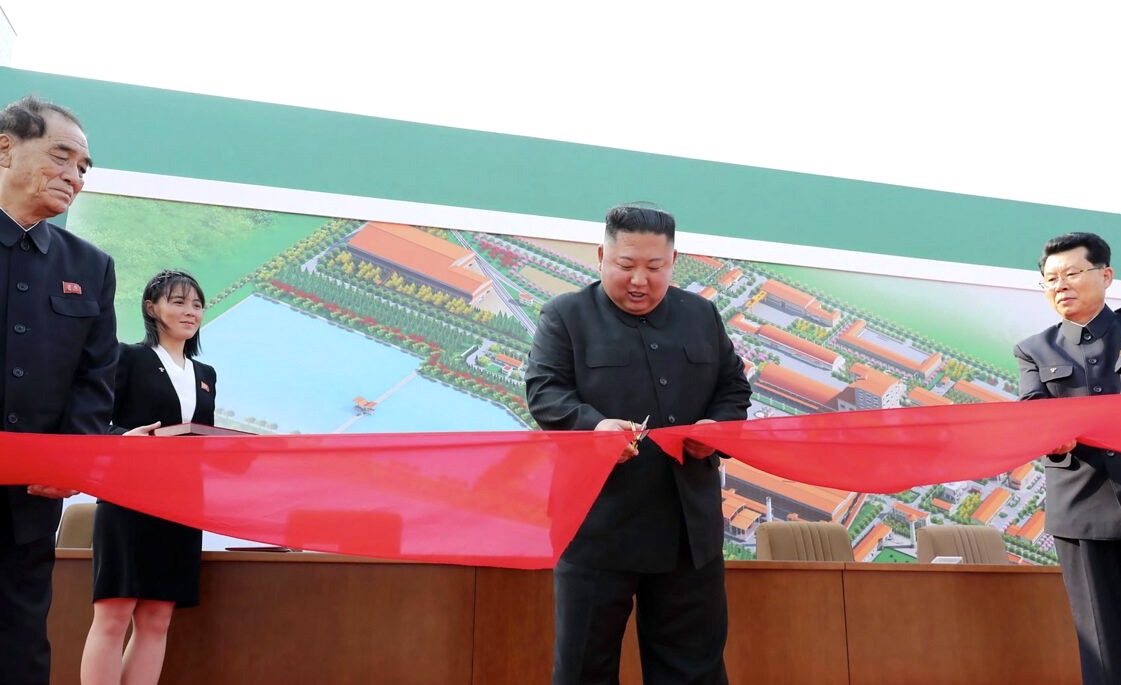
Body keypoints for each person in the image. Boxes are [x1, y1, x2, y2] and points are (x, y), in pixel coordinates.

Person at [525, 204, 751, 684]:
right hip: (596, 528)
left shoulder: (701, 315)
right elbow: (545, 392)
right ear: (601, 256)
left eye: (654, 267)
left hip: (688, 534)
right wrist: (595, 428)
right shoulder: (566, 315)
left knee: (694, 672)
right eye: (626, 266)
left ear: (674, 261)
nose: (639, 281)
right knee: (584, 670)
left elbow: (733, 388)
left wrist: (714, 428)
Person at [0, 95, 117, 685]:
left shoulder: (90, 267)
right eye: (61, 156)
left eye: (84, 167)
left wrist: (73, 457)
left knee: (20, 637)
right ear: (5, 149)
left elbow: (95, 378)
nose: (75, 175)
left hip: (29, 500)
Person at [80, 270, 217, 685]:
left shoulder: (206, 374)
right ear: (151, 308)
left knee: (157, 617)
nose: (190, 311)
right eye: (178, 302)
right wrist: (125, 439)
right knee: (114, 613)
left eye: (196, 304)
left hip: (182, 505)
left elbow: (203, 438)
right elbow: (93, 423)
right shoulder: (127, 358)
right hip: (128, 499)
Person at [1013, 232, 1121, 685]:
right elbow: (1032, 411)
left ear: (1105, 275)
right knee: (1100, 640)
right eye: (1051, 279)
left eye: (1072, 273)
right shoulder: (1035, 349)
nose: (1061, 285)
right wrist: (1047, 434)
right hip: (1081, 510)